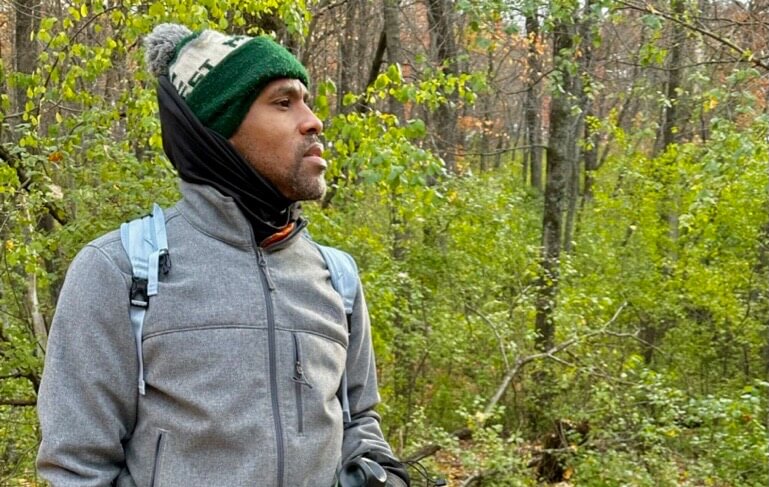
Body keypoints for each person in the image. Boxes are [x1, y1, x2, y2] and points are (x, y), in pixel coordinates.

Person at [36, 23, 410, 487]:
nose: (313, 120)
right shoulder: (118, 270)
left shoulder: (336, 277)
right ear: (218, 129)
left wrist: (379, 472)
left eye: (306, 101)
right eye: (282, 102)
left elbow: (359, 424)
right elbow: (77, 469)